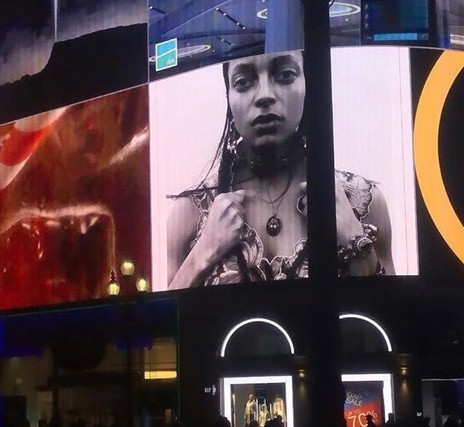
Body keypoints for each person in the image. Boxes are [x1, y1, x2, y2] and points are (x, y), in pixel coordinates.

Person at [167, 50, 395, 287]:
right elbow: (167, 322)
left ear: (308, 85)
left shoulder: (364, 203)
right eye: (243, 82)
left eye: (285, 75)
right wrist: (203, 252)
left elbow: (390, 317)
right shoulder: (189, 214)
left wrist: (353, 238)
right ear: (228, 95)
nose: (264, 95)